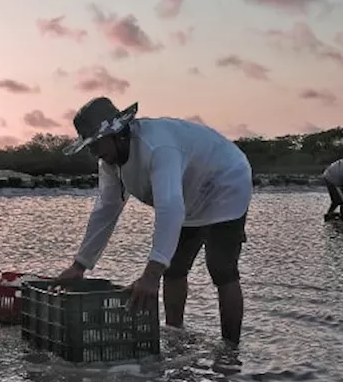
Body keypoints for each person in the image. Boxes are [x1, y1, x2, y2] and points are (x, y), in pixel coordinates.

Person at [56, 98, 253, 344]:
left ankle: (230, 352)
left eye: (96, 144)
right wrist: (80, 265)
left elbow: (169, 207)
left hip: (226, 181)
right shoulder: (110, 161)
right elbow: (106, 209)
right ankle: (175, 337)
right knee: (173, 269)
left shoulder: (157, 147)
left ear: (118, 134)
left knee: (222, 269)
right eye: (89, 146)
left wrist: (150, 275)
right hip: (188, 193)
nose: (94, 152)